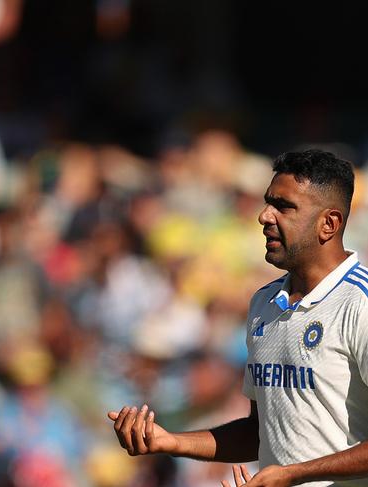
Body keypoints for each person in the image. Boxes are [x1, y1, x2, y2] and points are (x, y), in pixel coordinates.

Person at [108, 149, 368, 486]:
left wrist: (291, 474)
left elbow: (289, 468)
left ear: (329, 223)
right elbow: (259, 432)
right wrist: (171, 441)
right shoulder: (264, 302)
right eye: (268, 202)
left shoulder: (360, 304)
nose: (264, 216)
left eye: (284, 207)